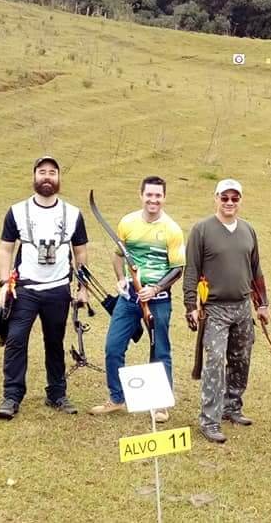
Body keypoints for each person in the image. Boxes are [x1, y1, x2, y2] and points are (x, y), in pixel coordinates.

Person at [0, 156, 88, 420]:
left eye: (52, 172)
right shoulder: (17, 211)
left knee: (55, 342)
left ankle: (56, 394)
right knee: (15, 340)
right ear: (34, 176)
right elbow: (5, 248)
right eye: (42, 172)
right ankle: (11, 396)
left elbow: (80, 252)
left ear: (59, 178)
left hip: (58, 289)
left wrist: (82, 288)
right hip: (24, 288)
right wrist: (4, 284)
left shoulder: (73, 214)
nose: (47, 177)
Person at [89, 176, 185, 423]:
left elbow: (178, 269)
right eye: (149, 194)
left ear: (164, 197)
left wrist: (155, 289)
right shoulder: (128, 223)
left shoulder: (172, 229)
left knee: (160, 350)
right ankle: (117, 398)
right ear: (141, 195)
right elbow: (118, 254)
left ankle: (160, 404)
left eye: (158, 195)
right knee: (113, 347)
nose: (153, 200)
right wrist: (121, 279)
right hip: (129, 298)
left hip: (158, 300)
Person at [183, 179, 269, 444]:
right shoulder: (201, 230)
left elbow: (255, 270)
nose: (229, 202)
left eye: (234, 198)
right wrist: (190, 306)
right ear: (216, 198)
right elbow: (191, 270)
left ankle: (232, 406)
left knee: (241, 358)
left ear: (240, 200)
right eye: (225, 198)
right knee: (215, 360)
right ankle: (209, 420)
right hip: (215, 308)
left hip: (242, 306)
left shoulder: (248, 230)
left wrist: (262, 304)